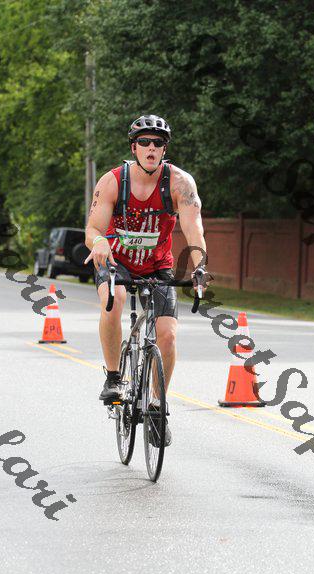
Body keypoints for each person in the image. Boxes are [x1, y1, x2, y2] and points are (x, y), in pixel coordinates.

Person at [84, 114, 209, 444]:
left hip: (158, 266)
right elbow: (93, 228)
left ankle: (156, 405)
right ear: (134, 147)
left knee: (167, 335)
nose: (151, 148)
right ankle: (114, 377)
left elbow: (194, 229)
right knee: (115, 299)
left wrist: (200, 268)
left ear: (164, 149)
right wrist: (99, 242)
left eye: (158, 143)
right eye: (144, 142)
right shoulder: (113, 181)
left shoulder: (180, 184)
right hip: (115, 261)